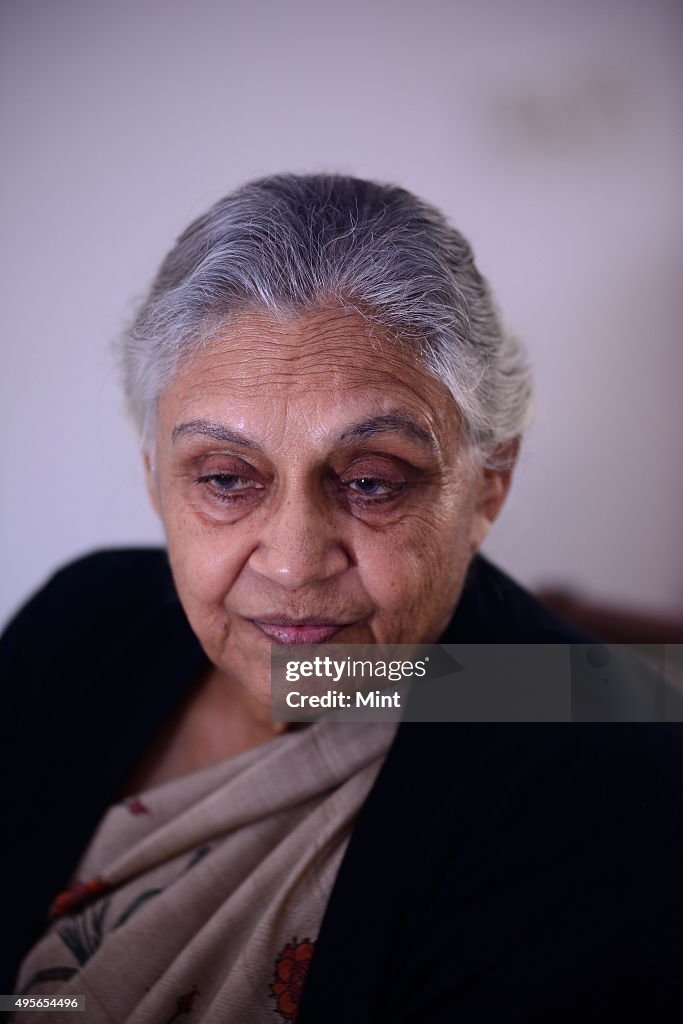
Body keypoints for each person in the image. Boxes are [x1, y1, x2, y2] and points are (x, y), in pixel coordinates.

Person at [1, 174, 681, 1021]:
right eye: (223, 478)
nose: (291, 563)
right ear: (155, 482)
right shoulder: (83, 620)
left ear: (485, 488)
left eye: (370, 481)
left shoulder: (606, 774)